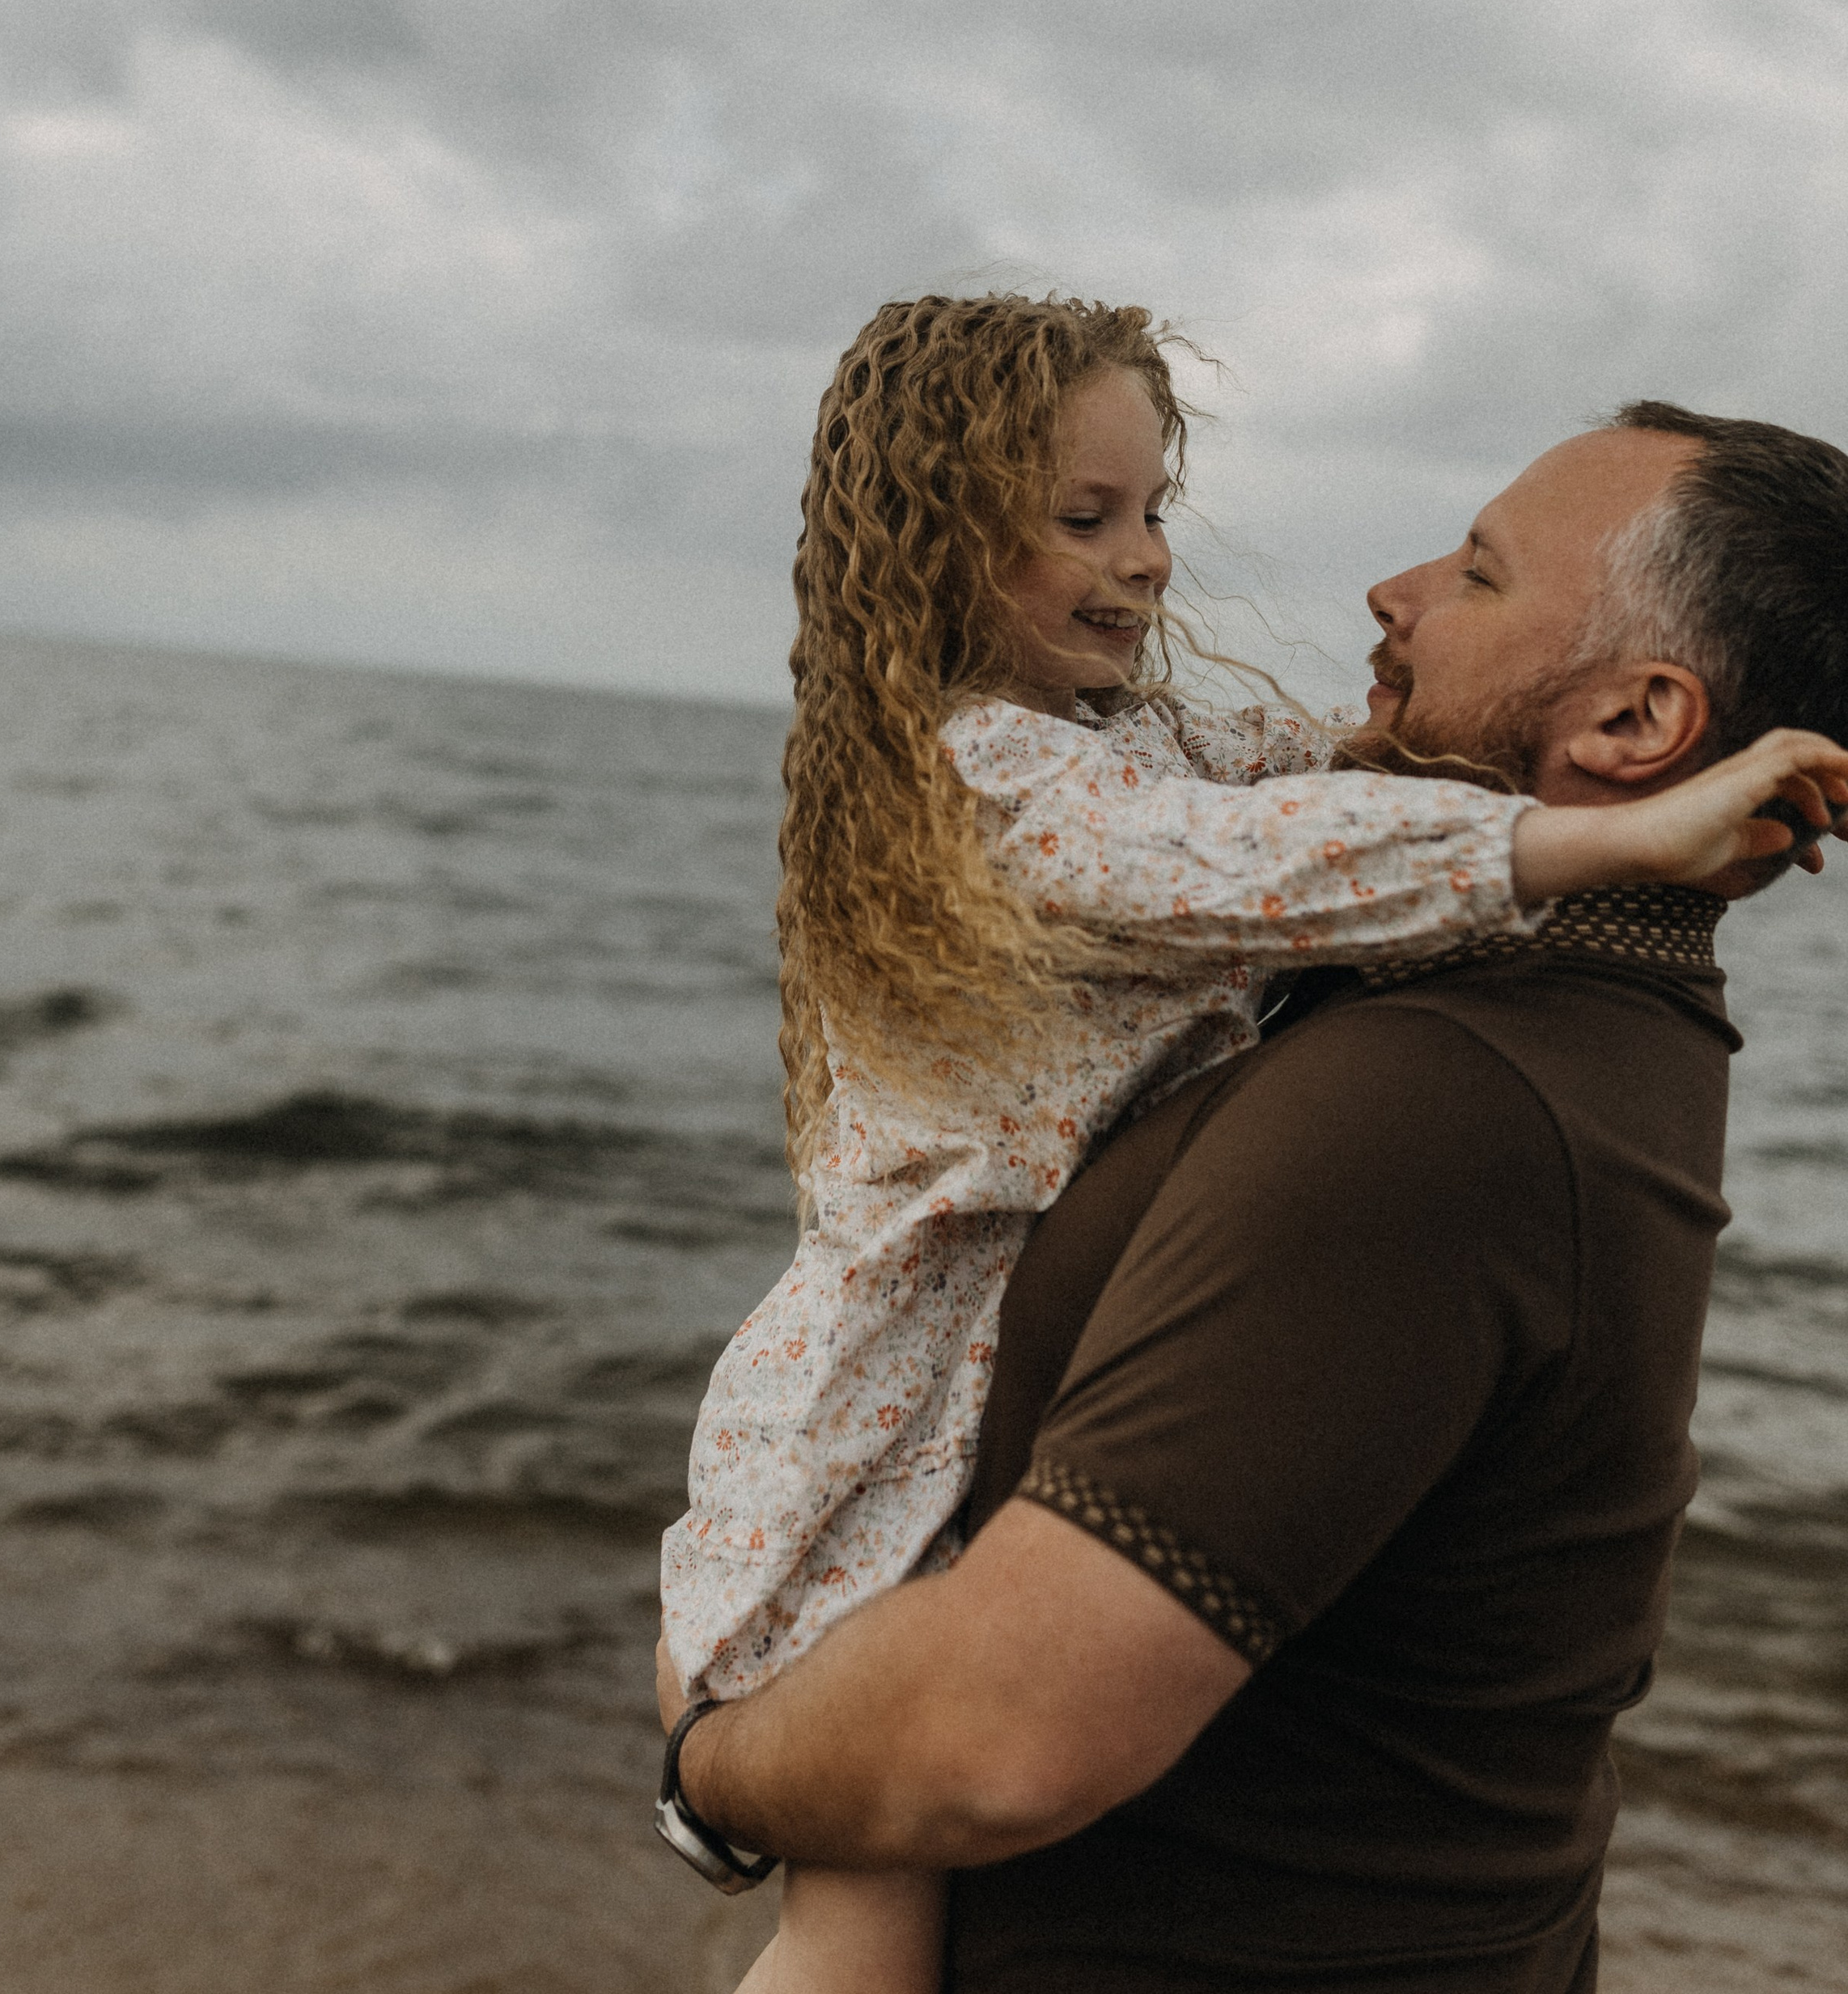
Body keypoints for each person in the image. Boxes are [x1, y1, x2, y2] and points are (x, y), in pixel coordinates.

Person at [653, 308, 1848, 1994]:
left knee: (853, 1916)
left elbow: (996, 1743)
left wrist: (707, 1770)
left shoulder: (1436, 1103)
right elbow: (1259, 841)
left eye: (1479, 577)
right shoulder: (1544, 1013)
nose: (1392, 591)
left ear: (1641, 724)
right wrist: (1628, 838)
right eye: (1086, 518)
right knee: (855, 1925)